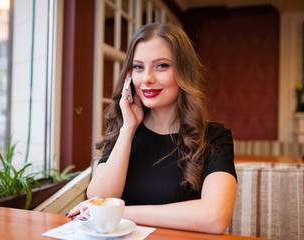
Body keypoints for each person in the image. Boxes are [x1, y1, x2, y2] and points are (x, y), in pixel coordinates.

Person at [66, 23, 237, 234]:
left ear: (184, 72)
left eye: (161, 65)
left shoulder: (215, 136)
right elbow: (98, 198)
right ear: (129, 76)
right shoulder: (123, 129)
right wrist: (128, 128)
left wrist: (122, 212)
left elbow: (215, 217)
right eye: (138, 67)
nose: (147, 78)